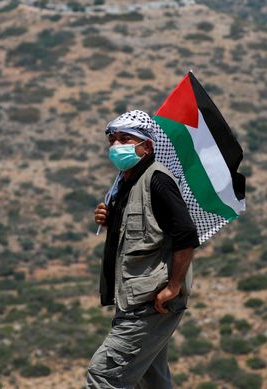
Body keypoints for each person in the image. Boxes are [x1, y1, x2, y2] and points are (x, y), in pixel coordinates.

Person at [87, 110, 200, 389]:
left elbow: (186, 234)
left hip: (151, 302)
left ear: (146, 145)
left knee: (104, 376)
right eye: (113, 139)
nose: (116, 145)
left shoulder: (157, 179)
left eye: (126, 139)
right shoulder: (127, 183)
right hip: (134, 300)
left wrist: (173, 287)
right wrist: (110, 217)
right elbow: (142, 229)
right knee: (152, 381)